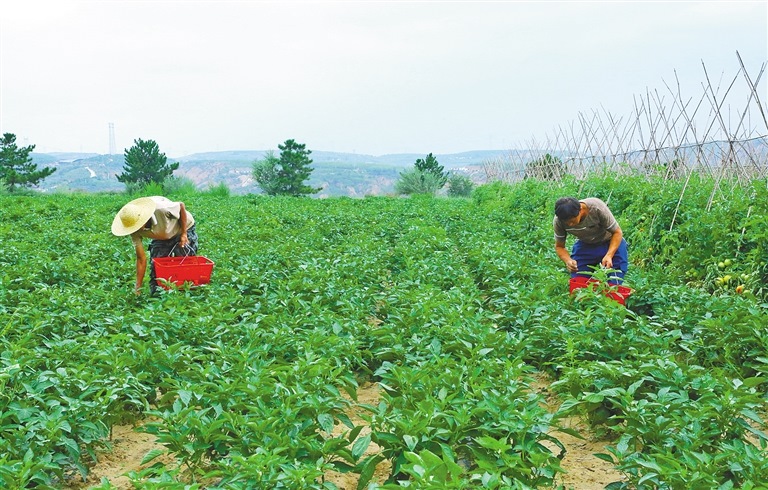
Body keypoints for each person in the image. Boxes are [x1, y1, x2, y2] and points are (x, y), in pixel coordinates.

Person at [111, 196, 198, 294]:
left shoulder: (161, 209)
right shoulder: (133, 228)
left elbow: (181, 205)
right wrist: (138, 287)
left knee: (185, 265)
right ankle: (158, 295)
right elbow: (141, 259)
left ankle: (185, 293)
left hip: (182, 227)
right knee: (157, 268)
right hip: (161, 235)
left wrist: (184, 234)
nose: (137, 229)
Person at [553, 196, 628, 284]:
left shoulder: (596, 208)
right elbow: (559, 246)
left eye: (572, 221)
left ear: (580, 210)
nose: (570, 224)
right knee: (578, 283)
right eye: (567, 222)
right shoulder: (558, 221)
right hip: (585, 244)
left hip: (610, 242)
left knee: (614, 281)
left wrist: (609, 255)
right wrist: (568, 261)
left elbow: (617, 232)